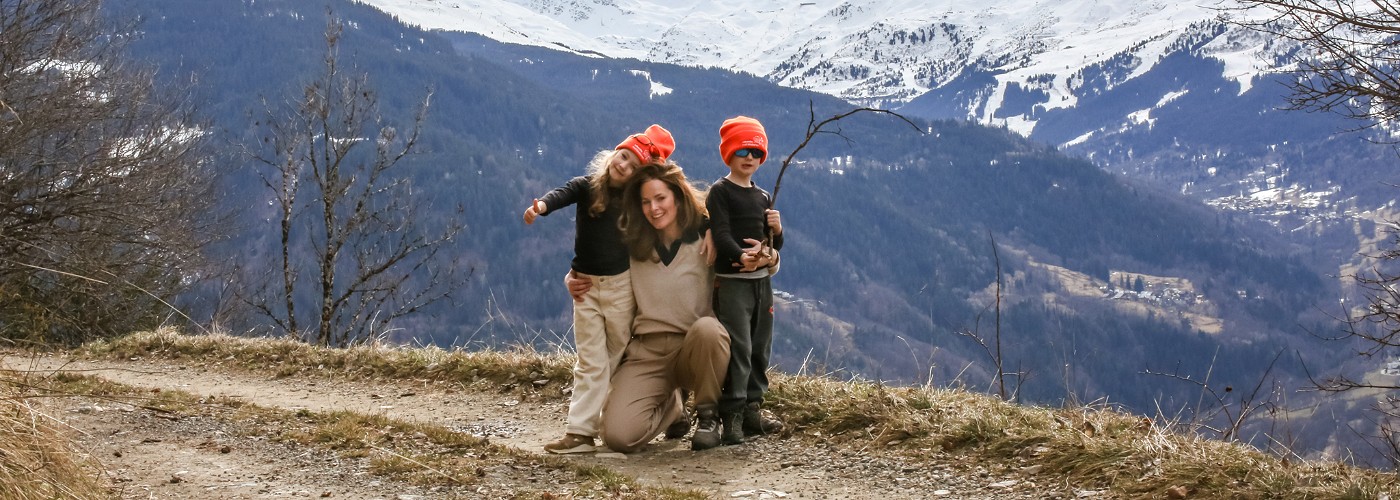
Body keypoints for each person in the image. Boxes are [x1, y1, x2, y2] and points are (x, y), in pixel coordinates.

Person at [523, 124, 676, 454]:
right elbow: (560, 194)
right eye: (623, 156)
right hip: (586, 288)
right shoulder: (586, 187)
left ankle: (662, 404)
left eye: (634, 166)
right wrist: (540, 208)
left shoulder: (638, 202)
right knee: (591, 361)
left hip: (622, 289)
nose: (623, 165)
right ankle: (580, 432)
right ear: (613, 153)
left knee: (617, 356)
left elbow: (676, 205)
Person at [593, 161, 734, 452]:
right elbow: (597, 265)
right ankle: (673, 406)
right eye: (645, 201)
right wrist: (575, 276)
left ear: (678, 197)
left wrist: (771, 256)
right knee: (619, 437)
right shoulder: (633, 244)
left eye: (660, 198)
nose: (653, 208)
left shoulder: (706, 240)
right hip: (647, 353)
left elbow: (749, 264)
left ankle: (708, 414)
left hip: (694, 348)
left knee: (709, 330)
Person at [706, 115, 785, 445]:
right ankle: (733, 412)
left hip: (761, 283)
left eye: (756, 151)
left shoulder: (764, 196)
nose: (750, 157)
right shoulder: (720, 192)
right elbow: (721, 234)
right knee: (739, 347)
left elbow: (773, 244)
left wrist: (777, 231)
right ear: (729, 154)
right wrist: (741, 256)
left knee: (760, 346)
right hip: (733, 282)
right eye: (742, 151)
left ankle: (753, 406)